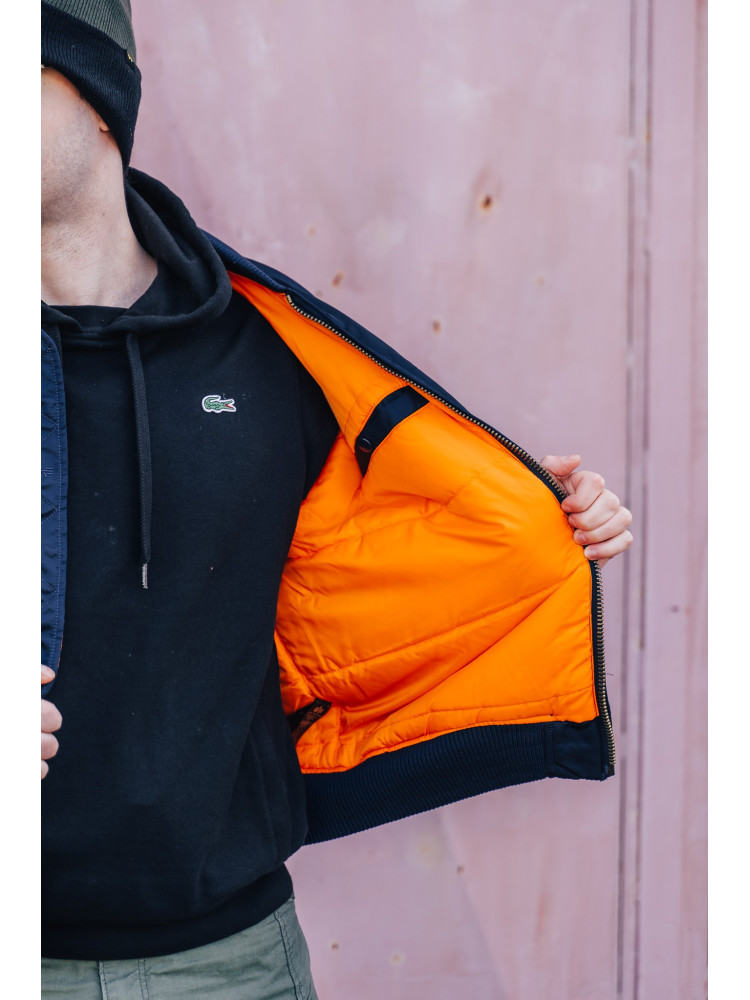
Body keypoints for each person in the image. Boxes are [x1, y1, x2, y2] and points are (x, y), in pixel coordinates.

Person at [40, 2, 633, 997]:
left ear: (98, 93)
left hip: (237, 960)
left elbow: (372, 559)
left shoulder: (270, 356)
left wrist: (544, 517)